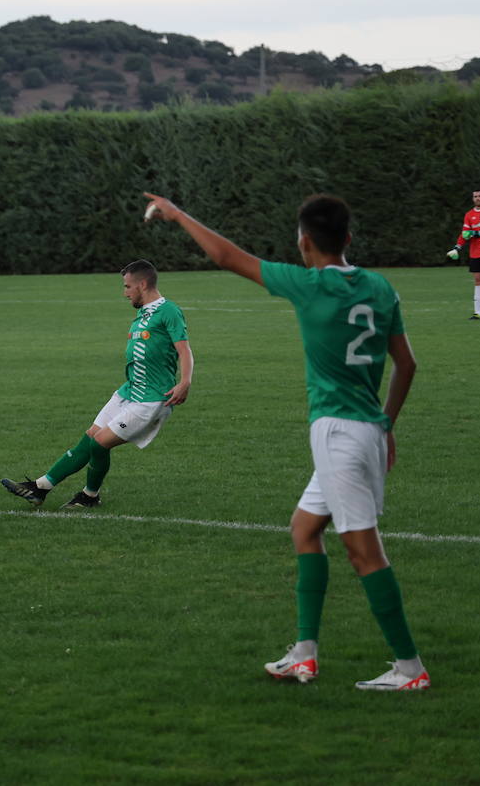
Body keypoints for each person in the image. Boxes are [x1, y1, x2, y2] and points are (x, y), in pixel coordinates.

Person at [143, 191, 429, 692]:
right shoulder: (381, 288)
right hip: (365, 430)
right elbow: (406, 364)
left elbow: (228, 257)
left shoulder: (309, 284)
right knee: (304, 529)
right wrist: (386, 425)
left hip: (339, 433)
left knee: (364, 553)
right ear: (348, 238)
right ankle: (305, 654)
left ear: (303, 243)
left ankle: (410, 669)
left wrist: (177, 213)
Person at [0, 259, 193, 509]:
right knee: (91, 435)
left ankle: (90, 496)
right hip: (130, 390)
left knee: (100, 442)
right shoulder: (144, 313)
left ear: (142, 284)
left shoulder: (168, 311)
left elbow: (184, 349)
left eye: (127, 287)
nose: (125, 293)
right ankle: (40, 487)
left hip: (152, 397)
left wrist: (185, 382)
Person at [445, 189, 480, 320]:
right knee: (477, 279)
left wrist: (476, 233)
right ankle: (478, 313)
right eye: (475, 196)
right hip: (475, 252)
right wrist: (457, 248)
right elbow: (465, 233)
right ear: (473, 199)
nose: (477, 198)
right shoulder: (469, 215)